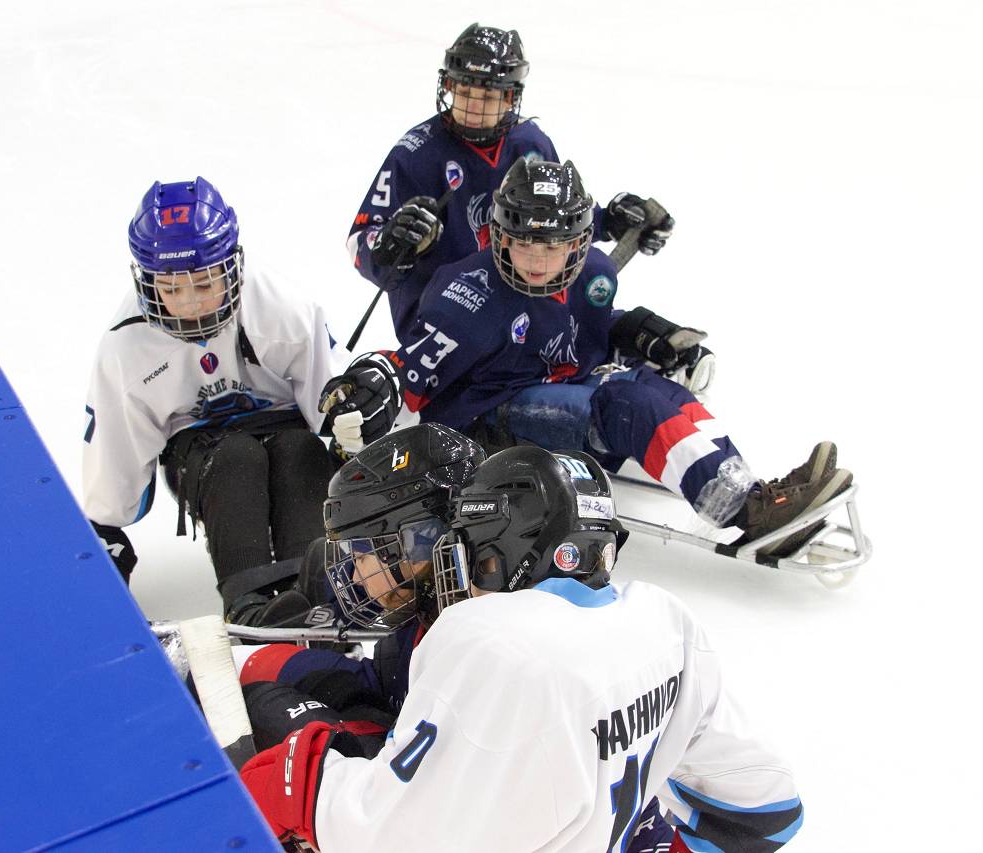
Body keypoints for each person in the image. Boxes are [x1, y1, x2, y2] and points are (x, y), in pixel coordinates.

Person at [240, 445, 804, 852]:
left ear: (497, 556)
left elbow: (386, 835)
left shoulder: (494, 642)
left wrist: (297, 781)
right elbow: (767, 810)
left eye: (466, 551)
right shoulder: (668, 622)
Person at [333, 157, 853, 558]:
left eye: (553, 245)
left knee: (659, 388)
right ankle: (747, 513)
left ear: (580, 241)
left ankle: (751, 491)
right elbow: (410, 370)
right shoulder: (467, 297)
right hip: (491, 429)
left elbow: (582, 334)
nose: (537, 259)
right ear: (500, 237)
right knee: (624, 403)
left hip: (557, 393)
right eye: (523, 242)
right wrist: (372, 383)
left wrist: (636, 333)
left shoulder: (595, 276)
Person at [81, 176, 387, 622]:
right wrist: (105, 533)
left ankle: (322, 588)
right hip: (201, 447)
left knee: (299, 449)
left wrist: (351, 415)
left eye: (205, 284)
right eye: (172, 289)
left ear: (232, 267)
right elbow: (114, 460)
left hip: (283, 426)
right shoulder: (125, 348)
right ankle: (249, 601)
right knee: (236, 458)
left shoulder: (279, 308)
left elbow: (330, 401)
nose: (191, 305)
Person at [347, 22, 673, 341]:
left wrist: (609, 223)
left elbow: (552, 220)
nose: (472, 108)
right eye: (464, 92)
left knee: (602, 326)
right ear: (447, 87)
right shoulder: (415, 154)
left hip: (520, 304)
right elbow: (361, 241)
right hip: (442, 321)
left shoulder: (530, 144)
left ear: (509, 98)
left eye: (488, 97)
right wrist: (391, 244)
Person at [234, 423, 485, 757]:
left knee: (267, 709)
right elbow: (374, 682)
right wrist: (244, 662)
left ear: (416, 545)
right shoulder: (421, 622)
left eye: (362, 557)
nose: (354, 576)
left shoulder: (473, 649)